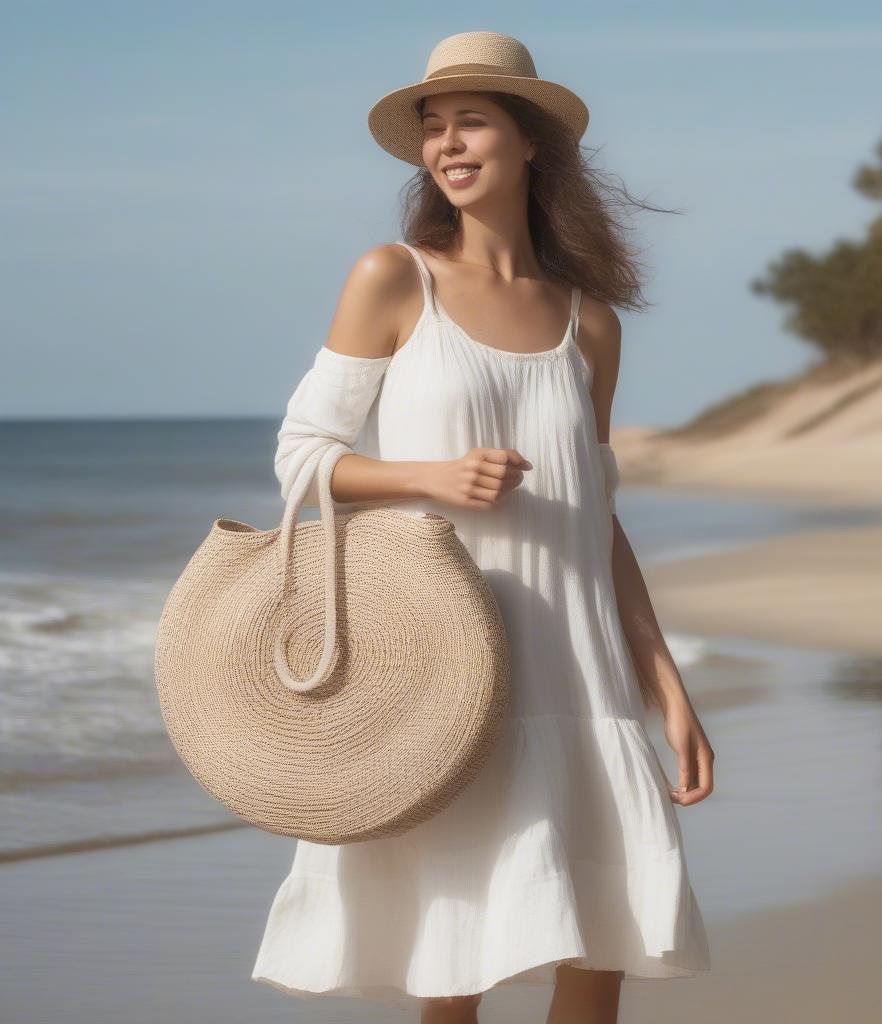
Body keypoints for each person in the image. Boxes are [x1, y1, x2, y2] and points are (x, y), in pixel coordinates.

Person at [251, 30, 714, 1024]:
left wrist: (665, 685)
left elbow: (600, 517)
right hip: (449, 671)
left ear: (532, 142)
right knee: (450, 957)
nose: (447, 145)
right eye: (432, 128)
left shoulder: (589, 320)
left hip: (580, 674)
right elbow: (301, 455)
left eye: (471, 121)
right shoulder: (391, 278)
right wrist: (431, 476)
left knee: (602, 948)